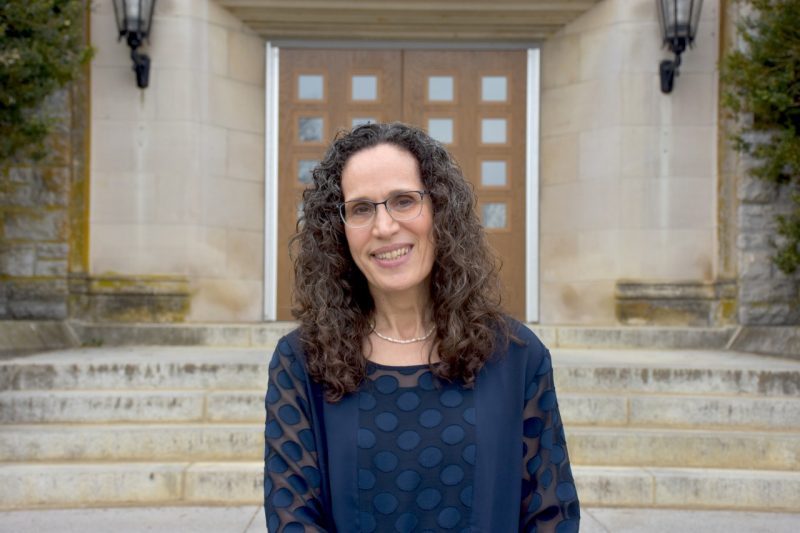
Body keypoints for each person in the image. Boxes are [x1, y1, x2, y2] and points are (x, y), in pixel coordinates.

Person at [264, 122, 579, 532]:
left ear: (440, 209)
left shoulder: (516, 355)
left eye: (403, 200)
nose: (384, 227)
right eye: (361, 208)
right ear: (337, 231)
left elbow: (550, 516)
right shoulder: (301, 362)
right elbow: (293, 522)